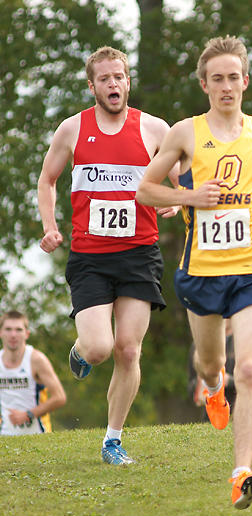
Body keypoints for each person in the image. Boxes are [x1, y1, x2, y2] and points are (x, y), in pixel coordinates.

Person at [136, 35, 252, 509]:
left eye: (233, 78)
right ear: (205, 84)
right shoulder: (184, 133)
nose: (227, 86)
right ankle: (212, 387)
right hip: (201, 272)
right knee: (211, 366)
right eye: (217, 79)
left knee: (250, 368)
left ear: (245, 81)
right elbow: (145, 190)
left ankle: (242, 471)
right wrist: (189, 197)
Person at [37, 46, 178, 464]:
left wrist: (175, 200)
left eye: (119, 77)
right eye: (104, 79)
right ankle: (81, 350)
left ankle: (112, 440)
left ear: (128, 81)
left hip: (139, 253)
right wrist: (50, 226)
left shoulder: (154, 129)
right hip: (91, 256)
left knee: (129, 351)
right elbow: (47, 180)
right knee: (100, 348)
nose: (113, 84)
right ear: (92, 86)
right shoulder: (72, 129)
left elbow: (181, 176)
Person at [188, 319, 252, 417]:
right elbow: (190, 389)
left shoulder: (251, 343)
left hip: (245, 416)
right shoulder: (199, 346)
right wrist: (203, 383)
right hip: (211, 419)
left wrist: (230, 381)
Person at [0, 310, 66, 436]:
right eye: (8, 329)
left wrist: (28, 414)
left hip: (38, 434)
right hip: (4, 436)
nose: (13, 335)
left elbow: (59, 397)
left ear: (27, 334)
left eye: (18, 330)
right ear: (1, 332)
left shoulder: (36, 359)